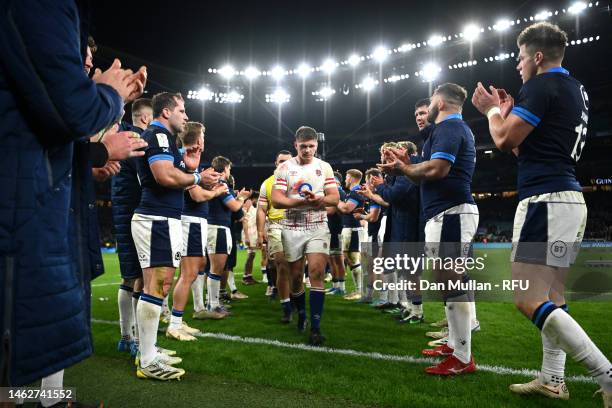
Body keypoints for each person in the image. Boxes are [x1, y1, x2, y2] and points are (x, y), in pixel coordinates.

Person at [0, 0, 147, 387]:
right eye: (76, 60)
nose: (82, 68)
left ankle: (49, 399)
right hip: (26, 217)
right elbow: (71, 116)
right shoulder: (39, 9)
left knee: (29, 356)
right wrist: (108, 96)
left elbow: (51, 135)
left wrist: (95, 149)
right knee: (15, 363)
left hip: (38, 208)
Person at [472, 22, 612, 405]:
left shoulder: (542, 85)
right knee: (553, 293)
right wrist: (509, 110)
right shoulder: (575, 89)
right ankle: (553, 379)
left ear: (536, 57)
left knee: (526, 295)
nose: (518, 66)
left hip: (545, 200)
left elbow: (503, 140)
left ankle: (607, 375)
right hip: (566, 198)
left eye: (520, 58)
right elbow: (524, 147)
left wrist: (490, 113)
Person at [381, 83, 478, 376]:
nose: (428, 108)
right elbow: (428, 168)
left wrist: (404, 170)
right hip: (443, 212)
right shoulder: (445, 130)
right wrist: (409, 163)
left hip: (452, 212)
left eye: (432, 102)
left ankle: (462, 357)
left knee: (451, 280)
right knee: (445, 280)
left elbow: (437, 170)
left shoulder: (450, 128)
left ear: (441, 103)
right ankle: (453, 345)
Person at [132, 92, 219, 380]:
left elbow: (175, 174)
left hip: (162, 218)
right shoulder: (157, 134)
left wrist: (190, 167)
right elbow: (164, 176)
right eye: (181, 110)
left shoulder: (164, 138)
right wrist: (197, 178)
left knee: (157, 285)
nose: (185, 116)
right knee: (158, 285)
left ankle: (149, 349)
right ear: (166, 112)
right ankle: (147, 360)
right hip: (156, 219)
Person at [271, 126, 340, 346]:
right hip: (291, 226)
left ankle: (316, 328)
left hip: (318, 225)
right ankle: (301, 313)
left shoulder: (324, 167)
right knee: (295, 277)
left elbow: (334, 198)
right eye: (303, 147)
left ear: (316, 145)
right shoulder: (284, 168)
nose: (308, 150)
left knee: (317, 272)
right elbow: (277, 200)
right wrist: (302, 201)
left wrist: (317, 198)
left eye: (311, 146)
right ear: (296, 145)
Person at [168, 122, 227, 341]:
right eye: (203, 136)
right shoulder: (185, 160)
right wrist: (216, 191)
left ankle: (176, 319)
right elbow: (196, 196)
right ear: (199, 139)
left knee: (190, 272)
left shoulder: (188, 159)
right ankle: (174, 323)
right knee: (188, 274)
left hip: (194, 221)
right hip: (190, 221)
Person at [114, 98, 153, 355]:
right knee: (141, 276)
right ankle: (140, 342)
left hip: (122, 211)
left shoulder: (121, 138)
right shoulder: (138, 141)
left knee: (129, 276)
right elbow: (147, 181)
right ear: (146, 119)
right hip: (135, 213)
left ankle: (126, 336)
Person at [204, 156, 252, 318]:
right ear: (225, 169)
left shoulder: (211, 182)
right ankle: (213, 305)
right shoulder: (221, 184)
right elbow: (234, 206)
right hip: (217, 227)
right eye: (229, 168)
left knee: (214, 269)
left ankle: (212, 302)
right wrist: (242, 198)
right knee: (216, 269)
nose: (229, 171)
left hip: (214, 226)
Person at [257, 150, 294, 322]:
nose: (283, 164)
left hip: (298, 225)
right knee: (282, 264)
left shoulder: (298, 179)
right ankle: (286, 306)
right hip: (276, 226)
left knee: (296, 268)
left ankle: (294, 299)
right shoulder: (268, 183)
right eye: (280, 161)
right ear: (275, 162)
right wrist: (259, 232)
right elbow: (262, 209)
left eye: (286, 161)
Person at [336, 169, 366, 300]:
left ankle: (360, 290)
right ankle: (358, 289)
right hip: (350, 228)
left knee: (353, 259)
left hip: (353, 229)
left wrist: (336, 200)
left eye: (347, 177)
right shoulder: (352, 192)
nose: (345, 180)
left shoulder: (355, 192)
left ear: (352, 178)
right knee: (350, 258)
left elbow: (346, 208)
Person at [326, 172, 348, 296]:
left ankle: (341, 287)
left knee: (338, 259)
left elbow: (331, 210)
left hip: (338, 229)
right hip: (331, 229)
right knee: (332, 259)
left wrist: (317, 207)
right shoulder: (332, 193)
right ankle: (335, 285)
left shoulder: (339, 192)